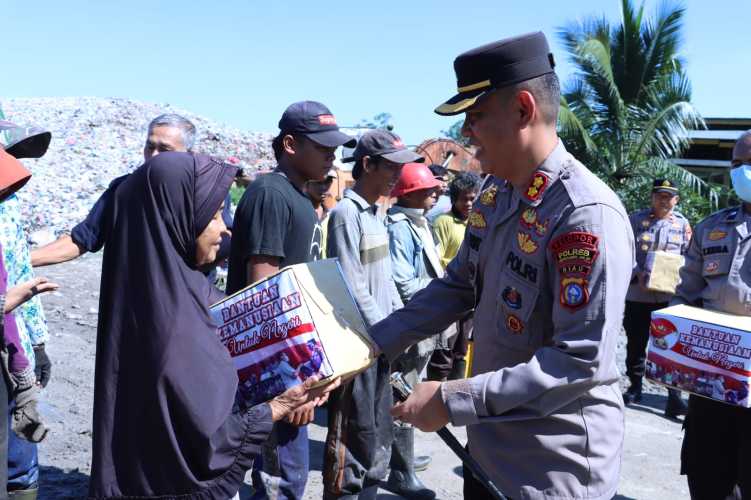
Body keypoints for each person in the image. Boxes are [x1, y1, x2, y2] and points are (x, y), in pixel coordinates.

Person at [367, 32, 634, 499]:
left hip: (551, 468)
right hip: (489, 447)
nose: (465, 133)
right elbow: (457, 286)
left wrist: (452, 399)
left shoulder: (584, 213)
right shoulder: (498, 194)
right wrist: (373, 344)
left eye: (476, 116)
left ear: (523, 110)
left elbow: (579, 359)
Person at [87, 151, 338, 499]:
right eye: (215, 214)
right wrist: (279, 406)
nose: (225, 228)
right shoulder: (173, 328)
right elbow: (208, 443)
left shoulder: (175, 292)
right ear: (176, 216)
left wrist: (300, 378)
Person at [226, 101, 354, 500]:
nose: (333, 156)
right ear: (291, 144)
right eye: (323, 147)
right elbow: (264, 296)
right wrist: (291, 382)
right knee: (281, 480)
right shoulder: (270, 193)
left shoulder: (301, 198)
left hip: (296, 361)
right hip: (277, 370)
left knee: (288, 478)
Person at [323, 129, 422, 500]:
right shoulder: (347, 214)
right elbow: (352, 284)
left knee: (377, 433)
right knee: (353, 439)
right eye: (392, 166)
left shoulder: (376, 213)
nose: (399, 174)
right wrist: (385, 331)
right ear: (367, 165)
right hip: (362, 344)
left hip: (382, 342)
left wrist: (401, 325)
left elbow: (385, 283)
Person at [29, 113, 230, 267]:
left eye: (165, 150)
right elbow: (82, 240)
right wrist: (20, 261)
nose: (153, 156)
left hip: (185, 305)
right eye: (149, 146)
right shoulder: (124, 191)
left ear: (188, 155)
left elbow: (219, 246)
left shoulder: (207, 193)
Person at [672, 130, 751, 499]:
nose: (743, 171)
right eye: (737, 164)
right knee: (707, 475)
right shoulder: (711, 227)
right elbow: (685, 297)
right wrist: (670, 347)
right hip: (712, 380)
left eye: (750, 163)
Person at [0, 122, 55, 499]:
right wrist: (33, 344)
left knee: (20, 445)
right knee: (18, 458)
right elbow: (18, 274)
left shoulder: (9, 201)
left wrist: (37, 341)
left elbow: (21, 271)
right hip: (9, 343)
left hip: (14, 338)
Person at [385, 161, 446, 500]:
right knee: (403, 396)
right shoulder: (399, 227)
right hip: (412, 320)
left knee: (410, 390)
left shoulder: (418, 222)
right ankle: (400, 472)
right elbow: (404, 283)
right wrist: (444, 286)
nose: (436, 193)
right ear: (410, 193)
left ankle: (403, 459)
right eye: (428, 189)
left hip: (425, 318)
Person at [621, 179, 692, 417]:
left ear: (676, 200)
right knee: (636, 343)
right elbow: (624, 249)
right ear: (652, 197)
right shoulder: (635, 221)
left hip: (669, 299)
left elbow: (690, 257)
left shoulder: (682, 226)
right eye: (660, 195)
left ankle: (674, 397)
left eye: (669, 196)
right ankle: (635, 387)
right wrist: (635, 273)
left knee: (670, 347)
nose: (664, 200)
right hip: (638, 294)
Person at [427, 171, 481, 382]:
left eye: (472, 198)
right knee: (444, 351)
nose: (468, 203)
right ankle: (435, 396)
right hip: (450, 295)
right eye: (464, 199)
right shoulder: (444, 222)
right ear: (454, 200)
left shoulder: (479, 223)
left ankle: (455, 396)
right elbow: (437, 259)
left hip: (471, 298)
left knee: (462, 349)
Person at [304, 168, 337, 258]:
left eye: (327, 182)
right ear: (306, 183)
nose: (323, 187)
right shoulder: (298, 213)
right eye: (318, 182)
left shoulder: (331, 216)